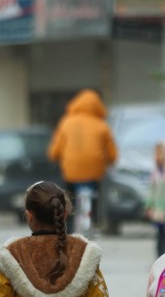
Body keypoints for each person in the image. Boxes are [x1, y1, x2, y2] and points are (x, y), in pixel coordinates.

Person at [48, 89, 117, 233]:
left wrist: (55, 158)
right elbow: (112, 153)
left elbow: (54, 151)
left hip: (71, 172)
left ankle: (68, 226)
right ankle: (96, 220)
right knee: (96, 194)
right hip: (94, 172)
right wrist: (110, 161)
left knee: (69, 198)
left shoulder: (66, 122)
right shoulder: (102, 125)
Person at [146, 141, 165, 256]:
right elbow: (152, 191)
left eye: (161, 153)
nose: (158, 157)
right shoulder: (155, 172)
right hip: (158, 210)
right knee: (160, 235)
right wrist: (149, 206)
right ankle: (159, 256)